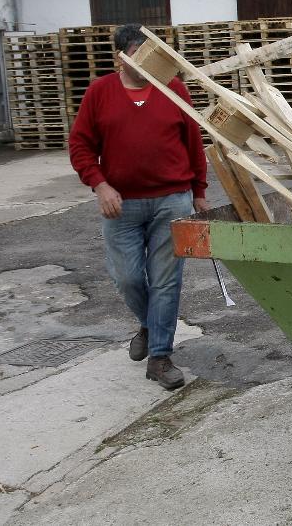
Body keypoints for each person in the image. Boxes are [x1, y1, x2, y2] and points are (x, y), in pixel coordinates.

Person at [68, 24, 208, 390]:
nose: (145, 60)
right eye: (137, 52)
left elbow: (194, 142)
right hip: (121, 204)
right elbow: (80, 146)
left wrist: (199, 191)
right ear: (121, 55)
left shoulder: (173, 89)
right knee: (127, 277)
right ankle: (149, 324)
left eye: (150, 52)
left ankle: (160, 357)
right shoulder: (100, 93)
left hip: (172, 199)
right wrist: (99, 184)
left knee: (166, 281)